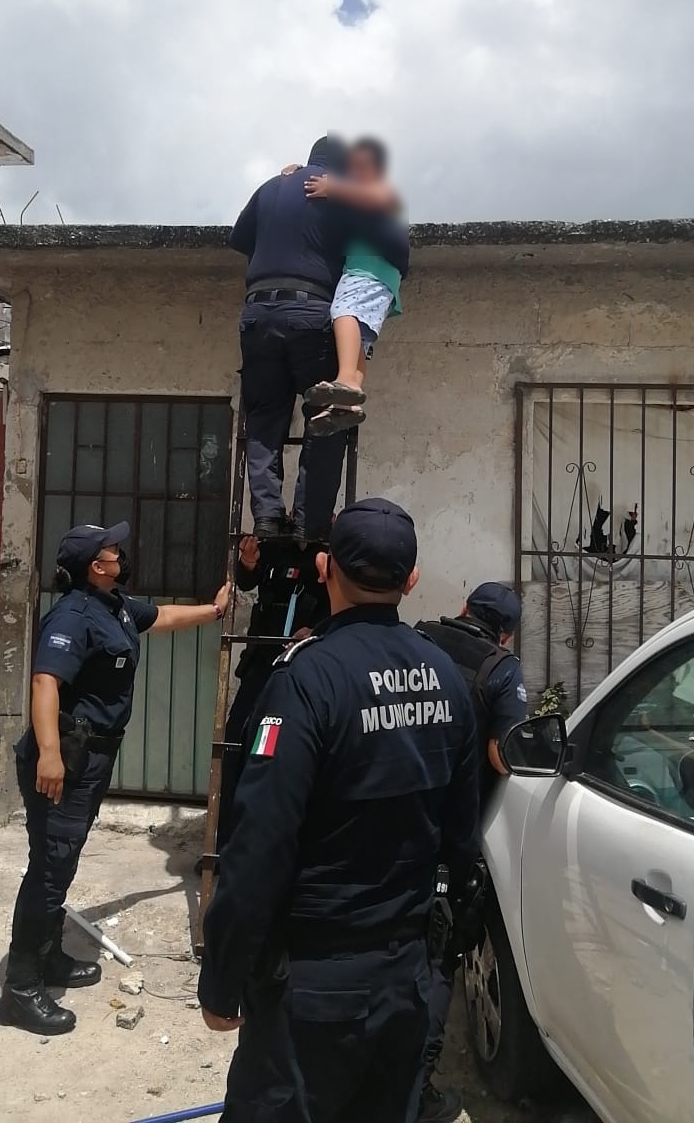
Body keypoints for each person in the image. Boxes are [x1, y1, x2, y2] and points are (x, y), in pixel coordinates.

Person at [198, 498, 480, 1123]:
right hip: (407, 981)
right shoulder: (448, 677)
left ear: (325, 568)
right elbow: (463, 840)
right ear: (411, 580)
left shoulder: (305, 679)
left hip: (313, 988)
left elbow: (258, 846)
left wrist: (222, 977)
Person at [0, 522, 230, 1035]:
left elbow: (161, 615)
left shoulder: (115, 605)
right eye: (112, 552)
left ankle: (49, 954)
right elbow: (44, 682)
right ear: (93, 567)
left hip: (93, 758)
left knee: (60, 860)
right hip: (66, 759)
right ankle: (19, 988)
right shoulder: (74, 614)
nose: (121, 556)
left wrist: (213, 611)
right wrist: (50, 756)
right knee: (50, 868)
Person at [230, 135, 410, 544]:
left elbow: (240, 238)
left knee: (263, 422)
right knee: (328, 418)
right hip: (312, 313)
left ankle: (268, 520)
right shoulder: (339, 193)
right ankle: (311, 527)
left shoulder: (272, 186)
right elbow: (394, 240)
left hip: (258, 314)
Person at [413, 581, 526, 1123]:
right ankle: (416, 1089)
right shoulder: (501, 669)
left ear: (462, 609)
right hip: (447, 837)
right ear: (506, 632)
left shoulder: (417, 639)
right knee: (438, 957)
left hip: (384, 822)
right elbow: (503, 757)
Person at [207, 530, 331, 868]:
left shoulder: (332, 552)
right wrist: (248, 563)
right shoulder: (274, 547)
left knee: (293, 755)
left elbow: (343, 607)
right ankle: (225, 846)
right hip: (262, 664)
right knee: (235, 746)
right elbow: (247, 581)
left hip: (304, 667)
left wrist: (316, 632)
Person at [296, 137, 402, 437]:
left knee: (343, 311)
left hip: (368, 268)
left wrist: (334, 188)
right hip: (375, 274)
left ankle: (345, 382)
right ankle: (349, 400)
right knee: (358, 339)